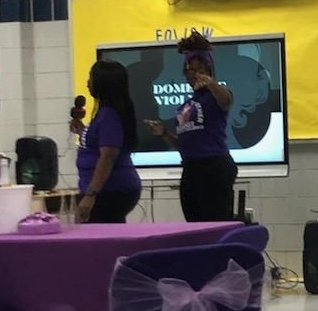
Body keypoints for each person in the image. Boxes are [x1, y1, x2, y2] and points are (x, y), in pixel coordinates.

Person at [146, 32, 236, 222]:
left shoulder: (215, 96)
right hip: (191, 167)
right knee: (193, 224)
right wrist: (163, 133)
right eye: (190, 70)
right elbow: (184, 145)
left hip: (214, 165)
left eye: (199, 70)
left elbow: (227, 100)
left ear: (209, 70)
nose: (194, 74)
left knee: (214, 224)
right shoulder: (186, 105)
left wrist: (210, 82)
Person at [76, 60, 141, 223]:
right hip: (109, 190)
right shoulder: (106, 113)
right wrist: (81, 131)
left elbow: (108, 156)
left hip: (110, 190)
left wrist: (91, 195)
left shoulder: (109, 115)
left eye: (91, 78)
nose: (87, 83)